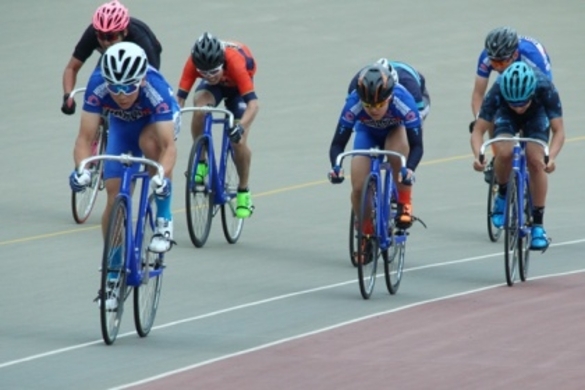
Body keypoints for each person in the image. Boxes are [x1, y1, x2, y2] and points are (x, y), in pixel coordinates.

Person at [69, 41, 180, 254]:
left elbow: (169, 147)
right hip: (122, 124)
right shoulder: (97, 84)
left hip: (153, 123)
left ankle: (164, 221)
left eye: (128, 87)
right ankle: (114, 262)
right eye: (114, 87)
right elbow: (85, 138)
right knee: (114, 196)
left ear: (142, 80)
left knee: (150, 144)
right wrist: (81, 170)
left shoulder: (156, 89)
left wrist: (161, 177)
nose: (121, 94)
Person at [470, 61, 565, 250]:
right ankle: (503, 193)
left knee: (535, 160)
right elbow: (478, 131)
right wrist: (478, 155)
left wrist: (551, 157)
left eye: (522, 103)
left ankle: (538, 224)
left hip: (537, 115)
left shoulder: (545, 87)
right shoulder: (497, 91)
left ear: (531, 93)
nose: (519, 108)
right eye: (515, 104)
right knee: (504, 151)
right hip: (505, 115)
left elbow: (559, 131)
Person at [328, 64, 423, 231]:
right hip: (367, 133)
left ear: (390, 98)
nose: (374, 110)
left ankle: (404, 202)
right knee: (358, 188)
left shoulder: (404, 101)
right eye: (368, 105)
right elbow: (337, 143)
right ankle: (366, 227)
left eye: (380, 105)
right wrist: (336, 167)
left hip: (394, 130)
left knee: (396, 155)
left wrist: (409, 169)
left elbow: (416, 145)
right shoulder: (353, 103)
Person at [176, 32, 259, 219]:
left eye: (213, 71)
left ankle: (244, 191)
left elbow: (253, 105)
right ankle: (202, 160)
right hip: (217, 89)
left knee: (239, 142)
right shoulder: (194, 63)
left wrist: (241, 127)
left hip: (238, 88)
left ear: (222, 62)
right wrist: (173, 120)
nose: (209, 76)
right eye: (203, 73)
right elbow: (179, 99)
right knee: (200, 108)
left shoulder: (235, 62)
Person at [469, 26, 552, 183]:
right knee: (490, 114)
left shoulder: (532, 57)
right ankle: (497, 156)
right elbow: (478, 95)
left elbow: (545, 95)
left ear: (514, 55)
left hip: (532, 85)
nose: (498, 68)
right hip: (506, 89)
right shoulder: (487, 57)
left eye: (502, 63)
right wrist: (479, 119)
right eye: (495, 63)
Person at [61, 0, 162, 115]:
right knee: (98, 81)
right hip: (111, 58)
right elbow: (71, 68)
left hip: (143, 57)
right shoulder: (93, 33)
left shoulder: (140, 38)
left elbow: (151, 80)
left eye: (111, 36)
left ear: (124, 32)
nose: (106, 42)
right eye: (101, 36)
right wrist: (68, 96)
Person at [349, 58, 431, 121]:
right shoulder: (357, 82)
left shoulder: (409, 84)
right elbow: (350, 112)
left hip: (417, 97)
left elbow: (417, 115)